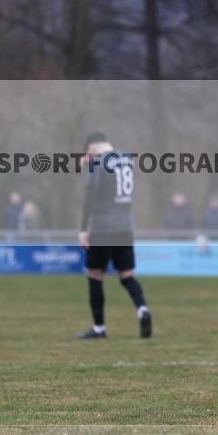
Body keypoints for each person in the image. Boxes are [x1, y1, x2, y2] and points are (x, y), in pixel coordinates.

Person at [77, 132, 152, 339]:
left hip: (102, 227)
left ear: (92, 148)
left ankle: (99, 328)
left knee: (95, 276)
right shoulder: (127, 158)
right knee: (127, 276)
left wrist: (83, 229)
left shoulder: (97, 163)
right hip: (125, 226)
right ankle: (142, 309)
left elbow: (91, 196)